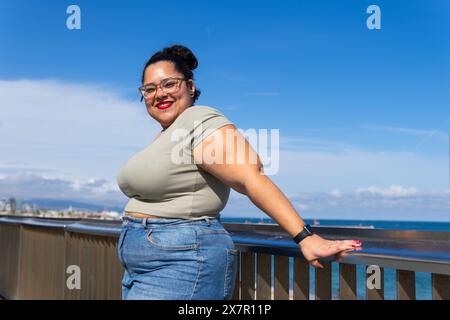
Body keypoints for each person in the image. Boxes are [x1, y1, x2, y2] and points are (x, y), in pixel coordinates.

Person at [116, 44, 362, 300]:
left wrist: (304, 237)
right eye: (150, 89)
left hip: (180, 260)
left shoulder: (200, 119)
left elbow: (249, 178)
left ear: (190, 87)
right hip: (144, 263)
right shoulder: (168, 134)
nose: (159, 94)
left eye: (169, 84)